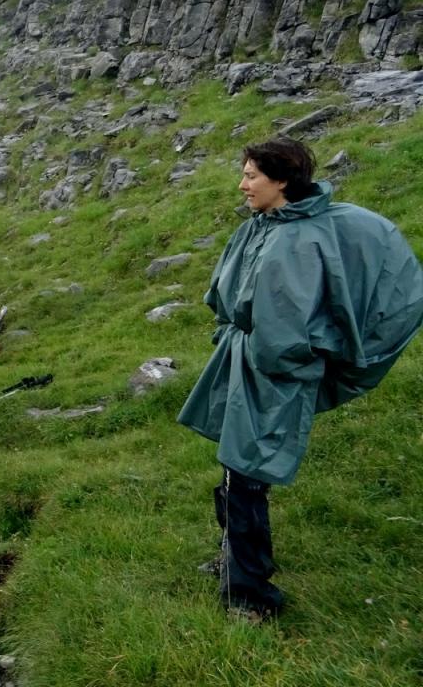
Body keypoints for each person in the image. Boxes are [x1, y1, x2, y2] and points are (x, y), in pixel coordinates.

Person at [177, 137, 423, 619]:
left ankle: (250, 596)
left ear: (282, 180)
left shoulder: (299, 238)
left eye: (252, 175)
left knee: (245, 471)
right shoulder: (267, 224)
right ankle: (236, 561)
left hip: (271, 370)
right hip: (248, 357)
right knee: (237, 467)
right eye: (244, 173)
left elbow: (284, 324)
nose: (242, 184)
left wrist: (296, 359)